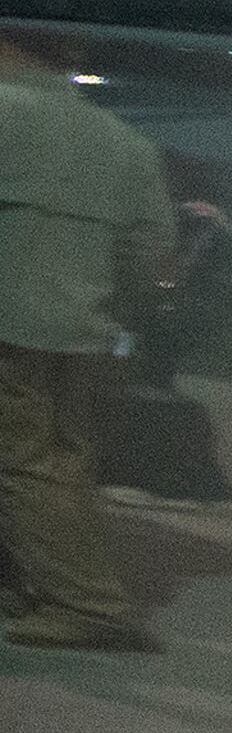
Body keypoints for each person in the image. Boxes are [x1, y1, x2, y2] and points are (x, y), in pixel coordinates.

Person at [0, 39, 176, 651]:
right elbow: (147, 247)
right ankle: (34, 587)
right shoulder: (126, 143)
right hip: (85, 335)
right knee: (60, 467)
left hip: (10, 327)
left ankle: (86, 606)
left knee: (28, 467)